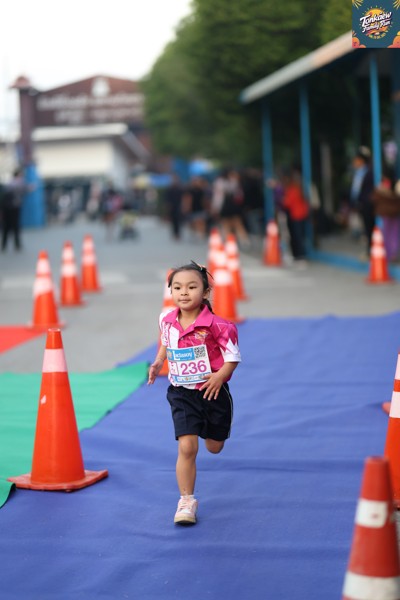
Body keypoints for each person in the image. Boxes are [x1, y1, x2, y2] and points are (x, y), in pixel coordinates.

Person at [148, 261, 241, 525]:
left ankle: (213, 430)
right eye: (177, 287)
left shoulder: (220, 326)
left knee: (214, 446)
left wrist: (220, 376)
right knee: (187, 446)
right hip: (181, 392)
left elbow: (233, 357)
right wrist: (158, 361)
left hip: (213, 393)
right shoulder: (166, 320)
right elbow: (166, 342)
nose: (184, 293)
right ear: (171, 291)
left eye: (191, 287)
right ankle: (186, 501)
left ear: (206, 292)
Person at [211, 169, 250, 247]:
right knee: (237, 223)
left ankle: (227, 241)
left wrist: (215, 207)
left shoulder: (220, 182)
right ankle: (244, 241)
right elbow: (240, 195)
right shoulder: (235, 182)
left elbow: (218, 197)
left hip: (225, 206)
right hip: (234, 206)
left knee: (226, 224)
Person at [349, 146, 375, 256]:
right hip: (360, 204)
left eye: (357, 159)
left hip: (367, 205)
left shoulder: (369, 172)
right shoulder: (358, 173)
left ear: (361, 160)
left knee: (370, 228)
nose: (354, 161)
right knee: (366, 228)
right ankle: (369, 250)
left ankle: (371, 251)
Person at [281, 169, 309, 262]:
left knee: (297, 236)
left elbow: (287, 202)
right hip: (298, 215)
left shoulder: (293, 189)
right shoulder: (297, 189)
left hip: (296, 215)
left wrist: (283, 199)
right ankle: (298, 255)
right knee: (297, 236)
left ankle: (300, 255)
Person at [1, 167, 30, 252]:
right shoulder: (18, 182)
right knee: (15, 226)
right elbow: (24, 189)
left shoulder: (10, 182)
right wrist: (29, 188)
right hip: (14, 207)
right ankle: (17, 244)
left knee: (6, 227)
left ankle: (4, 245)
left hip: (6, 207)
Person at [164, 174, 185, 240]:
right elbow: (167, 199)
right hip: (172, 207)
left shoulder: (180, 189)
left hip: (179, 206)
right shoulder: (170, 189)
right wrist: (167, 206)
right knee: (173, 221)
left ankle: (178, 234)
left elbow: (184, 198)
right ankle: (174, 233)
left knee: (178, 221)